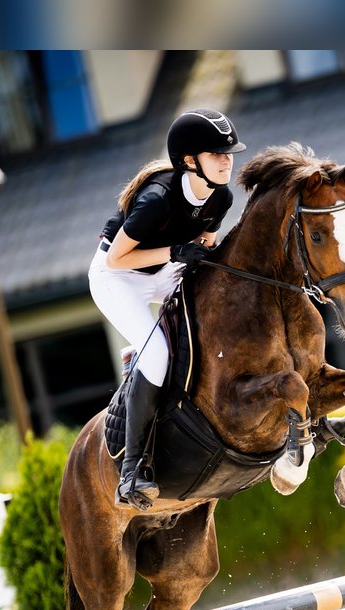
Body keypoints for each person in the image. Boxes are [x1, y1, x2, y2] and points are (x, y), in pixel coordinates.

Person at [91, 108, 246, 509]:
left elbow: (205, 245)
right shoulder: (157, 199)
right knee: (159, 353)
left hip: (165, 270)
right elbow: (117, 261)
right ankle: (131, 471)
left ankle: (141, 353)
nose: (227, 160)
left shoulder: (221, 196)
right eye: (216, 154)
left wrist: (195, 257)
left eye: (228, 153)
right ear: (190, 161)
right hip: (118, 278)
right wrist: (178, 251)